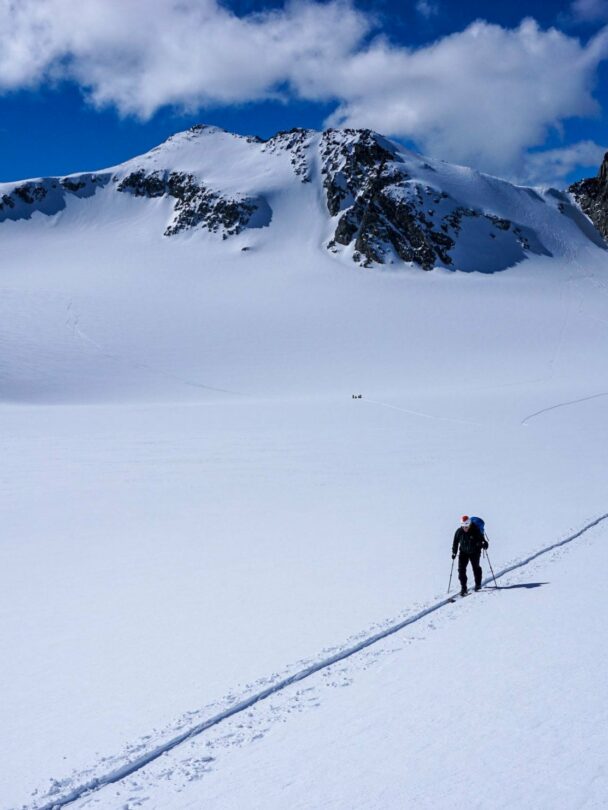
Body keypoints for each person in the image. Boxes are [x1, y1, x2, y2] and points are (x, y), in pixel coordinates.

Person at [452, 515, 488, 596]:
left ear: (469, 524)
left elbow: (483, 541)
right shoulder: (459, 532)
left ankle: (478, 585)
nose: (465, 528)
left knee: (476, 568)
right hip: (463, 553)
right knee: (461, 570)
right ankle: (463, 588)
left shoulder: (476, 531)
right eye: (463, 526)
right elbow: (455, 542)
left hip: (474, 552)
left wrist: (483, 544)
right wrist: (454, 552)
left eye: (467, 526)